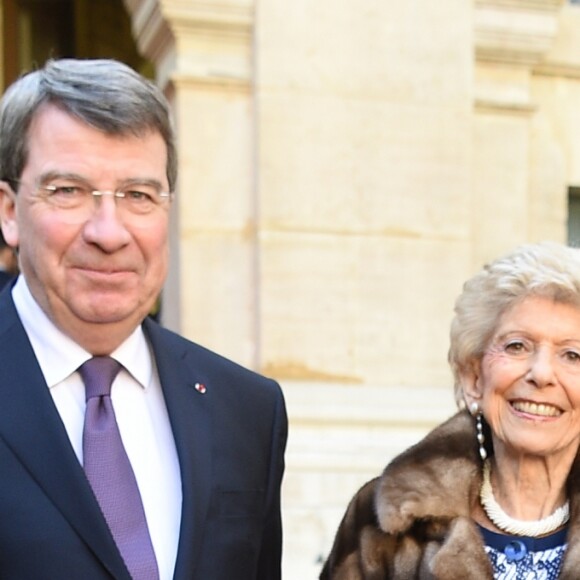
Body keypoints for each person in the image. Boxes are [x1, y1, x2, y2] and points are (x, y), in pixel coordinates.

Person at [0, 58, 287, 580]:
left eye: (138, 195)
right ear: (8, 211)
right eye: (68, 190)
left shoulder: (248, 410)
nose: (109, 233)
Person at [320, 241, 580, 579]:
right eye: (517, 346)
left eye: (573, 355)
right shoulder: (385, 521)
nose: (541, 373)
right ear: (474, 377)